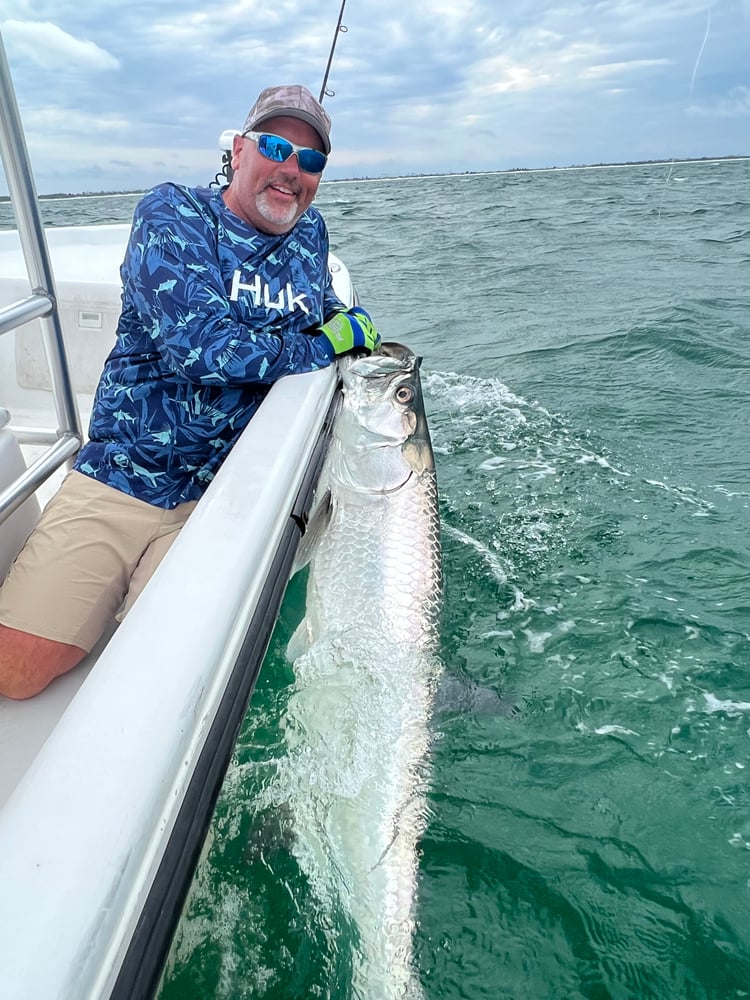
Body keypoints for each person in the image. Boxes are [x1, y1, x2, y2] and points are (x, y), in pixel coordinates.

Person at [0, 84, 379, 700]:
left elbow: (319, 309)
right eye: (277, 146)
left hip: (225, 495)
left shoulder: (310, 236)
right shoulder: (174, 214)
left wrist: (346, 321)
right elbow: (200, 350)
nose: (292, 170)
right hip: (124, 473)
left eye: (311, 161)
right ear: (239, 149)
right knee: (16, 673)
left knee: (154, 673)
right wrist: (328, 343)